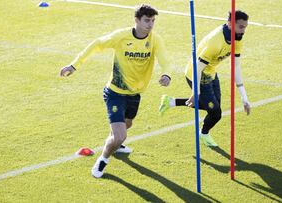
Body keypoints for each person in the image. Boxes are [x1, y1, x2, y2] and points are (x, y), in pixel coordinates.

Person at [60, 4, 172, 178]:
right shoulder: (121, 37)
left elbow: (164, 58)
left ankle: (115, 145)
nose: (150, 25)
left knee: (127, 125)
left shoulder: (155, 39)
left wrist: (166, 74)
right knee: (120, 135)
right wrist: (75, 65)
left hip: (135, 94)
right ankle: (103, 159)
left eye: (153, 21)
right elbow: (97, 44)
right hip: (115, 92)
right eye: (146, 20)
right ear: (136, 20)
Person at [159, 10, 250, 147]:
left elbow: (236, 67)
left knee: (214, 107)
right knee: (216, 113)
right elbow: (197, 68)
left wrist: (244, 97)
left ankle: (171, 102)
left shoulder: (237, 38)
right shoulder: (215, 41)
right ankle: (204, 133)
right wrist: (196, 92)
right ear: (230, 24)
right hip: (196, 73)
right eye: (241, 27)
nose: (243, 31)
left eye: (245, 27)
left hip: (211, 72)